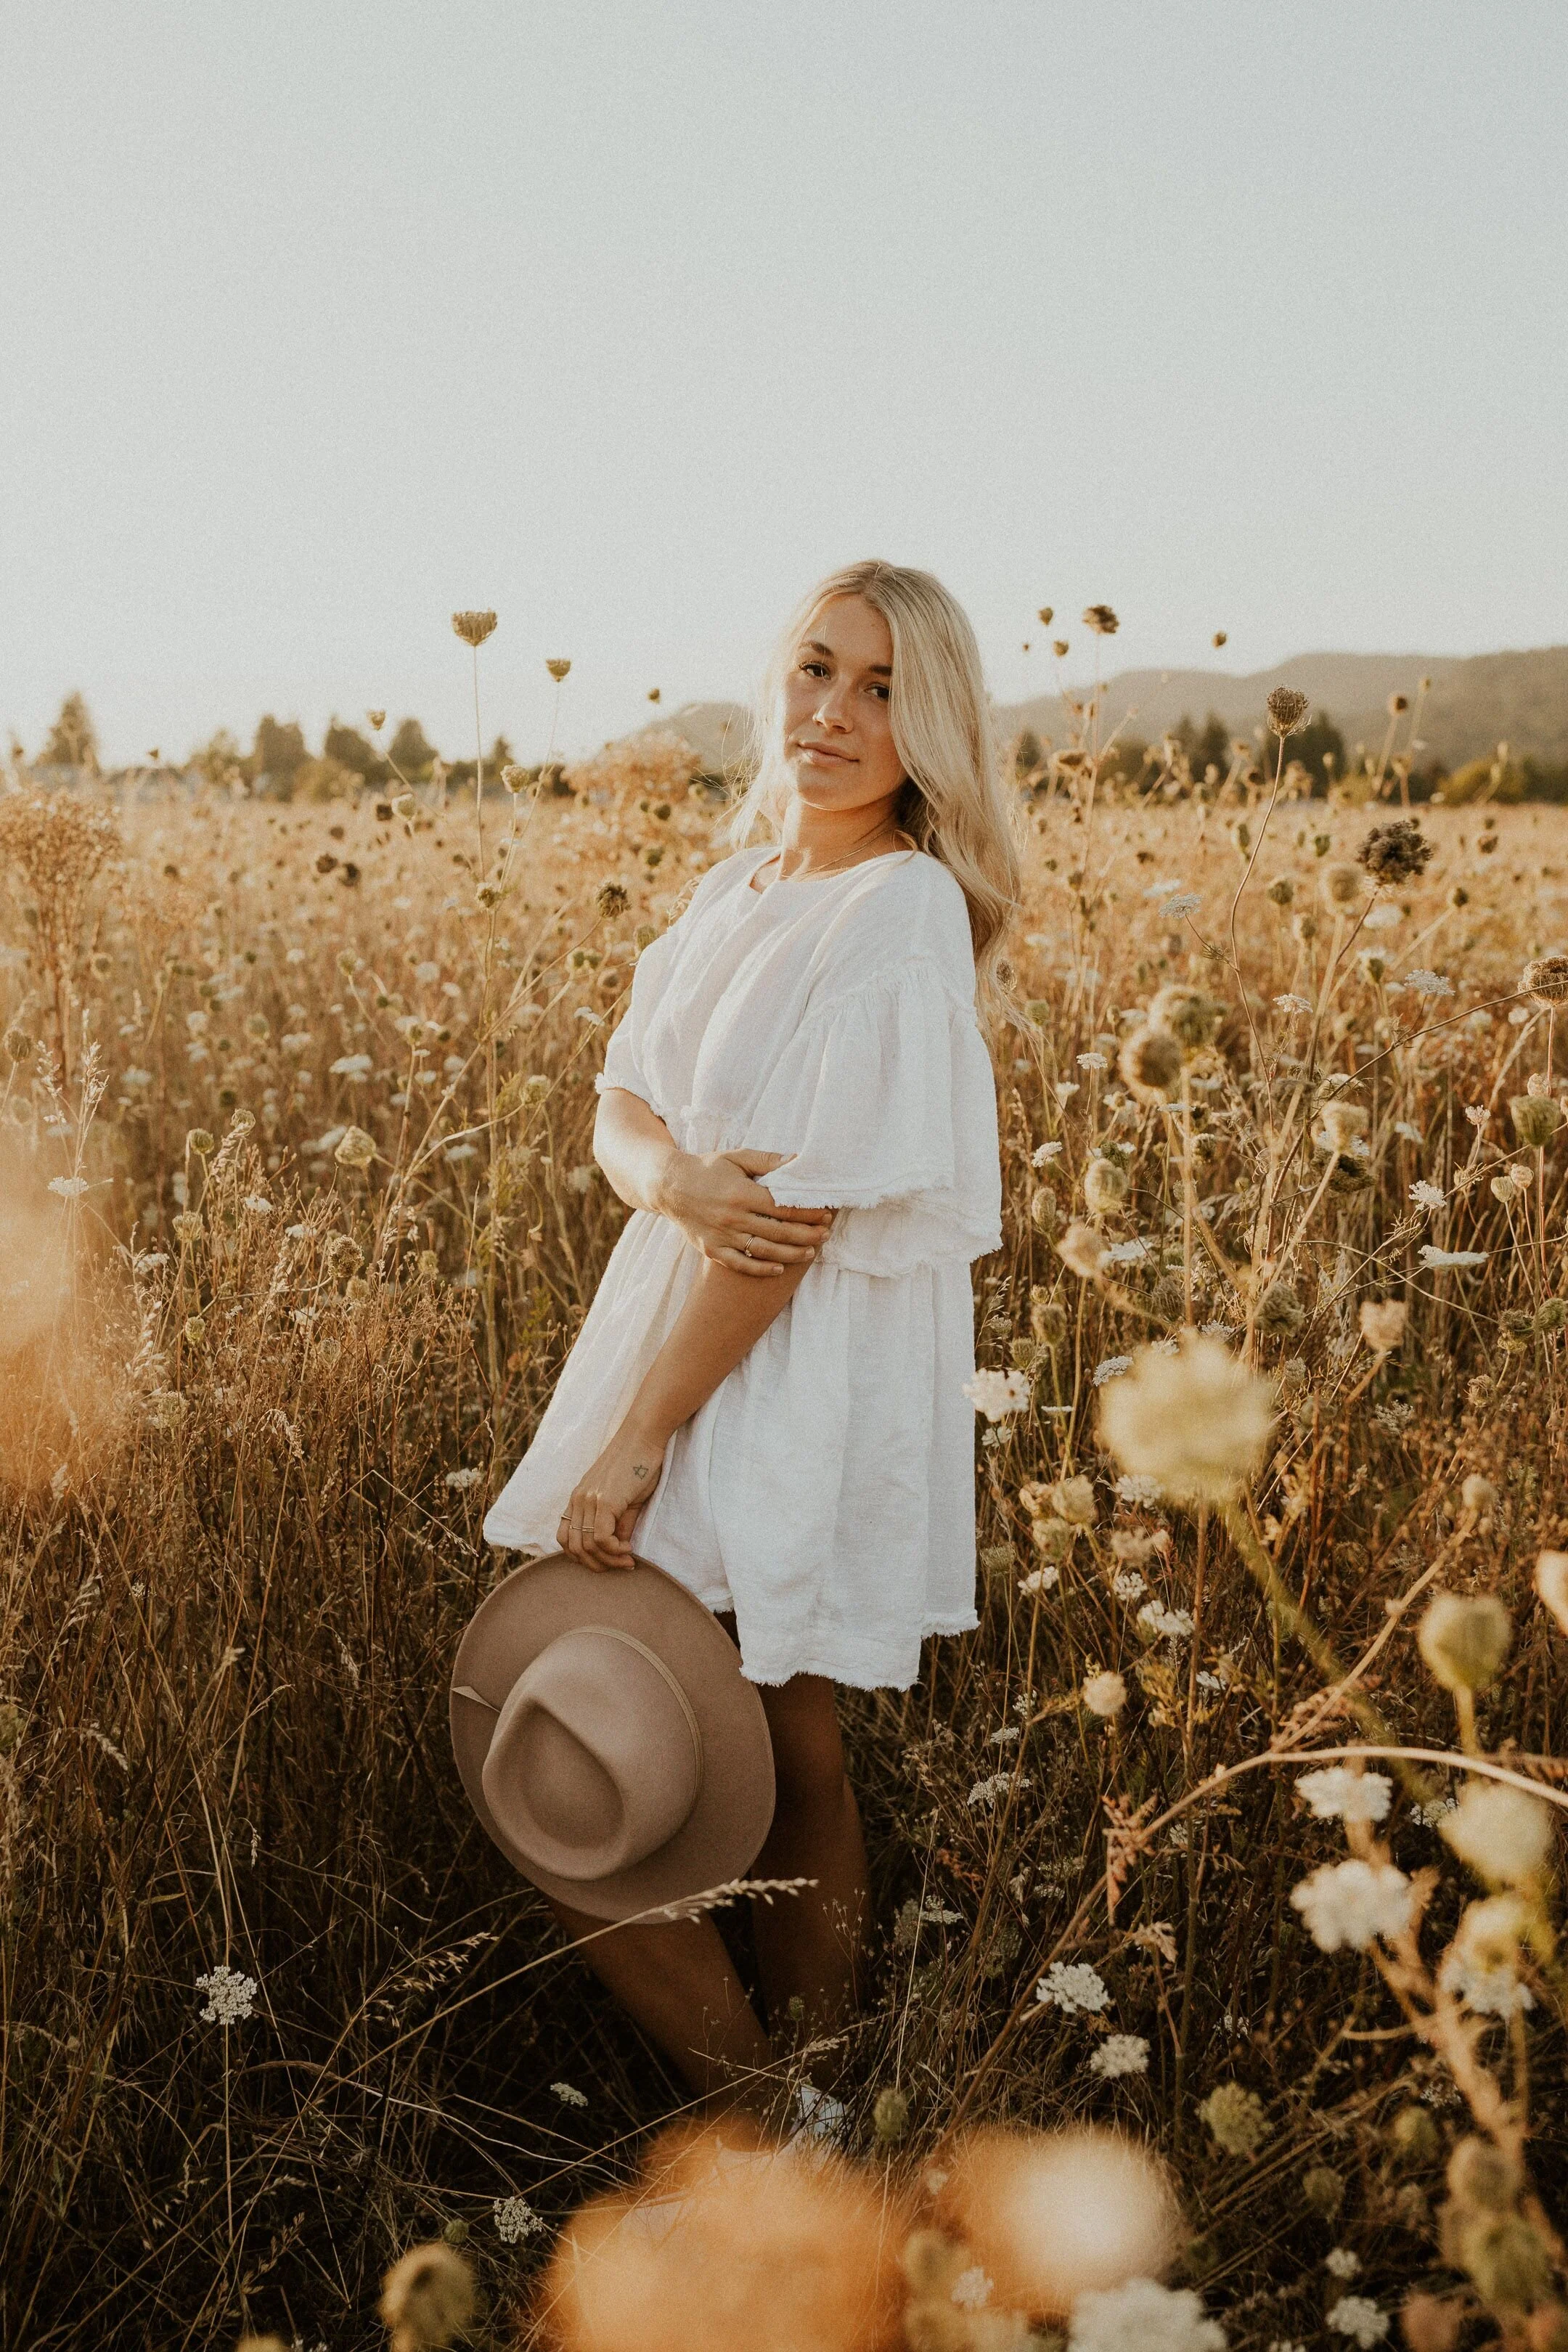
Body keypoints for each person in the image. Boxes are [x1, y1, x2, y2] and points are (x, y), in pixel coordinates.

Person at [482, 558, 1020, 2119]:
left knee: (786, 1738)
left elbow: (785, 1237)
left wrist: (644, 1435)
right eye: (814, 669)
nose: (834, 714)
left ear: (933, 731)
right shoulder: (740, 887)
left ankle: (803, 2108)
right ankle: (773, 2105)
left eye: (880, 689)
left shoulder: (900, 907)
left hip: (779, 1369)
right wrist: (677, 1179)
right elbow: (619, 1101)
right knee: (694, 1721)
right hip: (686, 1327)